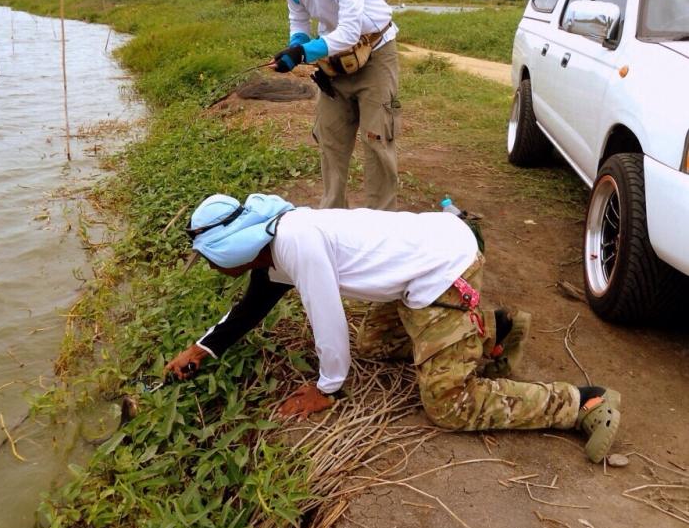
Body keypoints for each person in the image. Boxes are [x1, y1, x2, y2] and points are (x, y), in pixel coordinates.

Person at [165, 193, 622, 463]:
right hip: (421, 262)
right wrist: (200, 350)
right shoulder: (276, 242)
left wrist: (327, 388)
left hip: (443, 270)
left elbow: (328, 320)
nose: (210, 267)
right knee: (375, 343)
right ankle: (490, 333)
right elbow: (250, 309)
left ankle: (581, 403)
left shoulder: (294, 243)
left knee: (448, 404)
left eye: (208, 258)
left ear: (229, 251)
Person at [268, 0, 400, 211]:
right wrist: (295, 47)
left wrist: (303, 53)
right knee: (330, 137)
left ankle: (382, 222)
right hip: (334, 61)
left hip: (375, 52)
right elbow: (299, 20)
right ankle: (332, 219)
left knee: (377, 137)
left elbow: (351, 31)